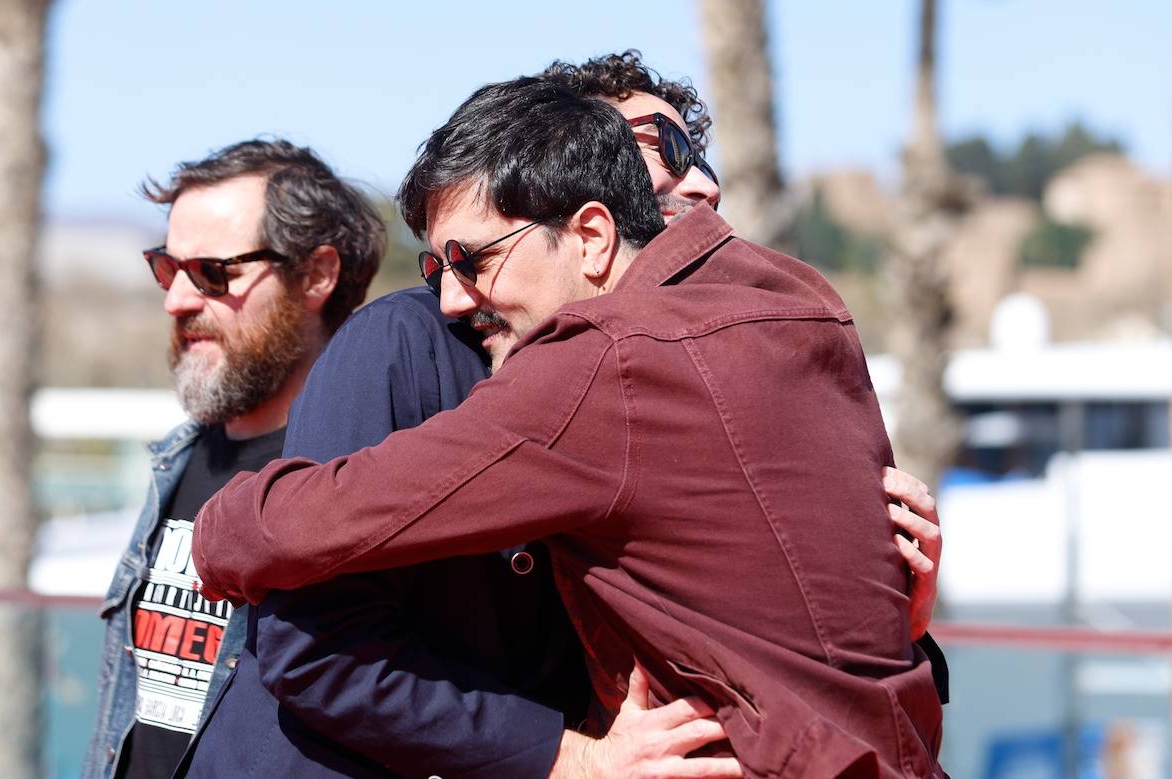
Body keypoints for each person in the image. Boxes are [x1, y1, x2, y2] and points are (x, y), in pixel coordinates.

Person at [193, 76, 946, 777]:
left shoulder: (607, 359)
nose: (457, 298)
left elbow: (301, 524)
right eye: (436, 266)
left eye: (475, 259)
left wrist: (218, 523)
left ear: (590, 231)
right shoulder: (804, 300)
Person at [81, 138, 384, 779]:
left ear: (317, 275)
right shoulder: (177, 461)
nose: (178, 301)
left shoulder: (358, 484)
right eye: (168, 269)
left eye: (214, 273)